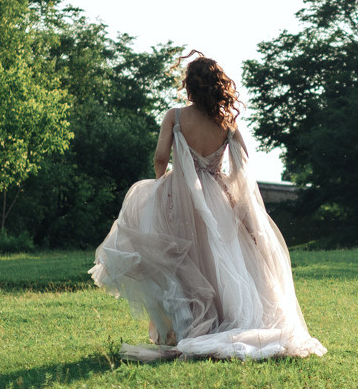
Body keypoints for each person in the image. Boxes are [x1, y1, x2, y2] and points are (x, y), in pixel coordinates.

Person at [90, 53, 325, 362]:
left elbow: (161, 158)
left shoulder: (174, 117)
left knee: (184, 262)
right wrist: (232, 196)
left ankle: (190, 328)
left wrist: (164, 188)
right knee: (221, 262)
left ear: (189, 86)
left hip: (182, 192)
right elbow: (243, 162)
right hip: (217, 193)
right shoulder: (226, 121)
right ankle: (225, 321)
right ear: (217, 86)